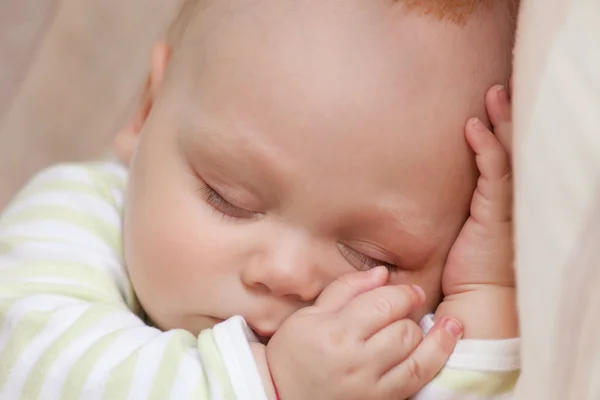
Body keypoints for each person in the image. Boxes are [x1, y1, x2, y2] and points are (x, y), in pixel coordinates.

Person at [0, 0, 519, 399]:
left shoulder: (369, 352)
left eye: (371, 256)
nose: (286, 272)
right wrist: (268, 384)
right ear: (148, 109)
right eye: (229, 199)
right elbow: (31, 366)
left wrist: (481, 296)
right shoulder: (74, 220)